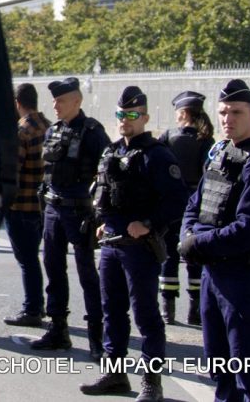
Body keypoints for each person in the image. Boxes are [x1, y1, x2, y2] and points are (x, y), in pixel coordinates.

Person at [180, 79, 250, 402]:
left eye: (236, 112)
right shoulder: (222, 155)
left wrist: (196, 244)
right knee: (220, 373)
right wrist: (187, 234)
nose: (228, 119)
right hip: (213, 277)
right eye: (223, 112)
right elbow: (195, 204)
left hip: (246, 282)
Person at [80, 87, 188, 401]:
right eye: (120, 115)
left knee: (145, 315)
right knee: (111, 311)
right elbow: (104, 194)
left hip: (140, 248)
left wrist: (149, 224)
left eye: (131, 115)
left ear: (145, 118)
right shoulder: (112, 151)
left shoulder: (157, 155)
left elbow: (177, 199)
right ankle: (115, 374)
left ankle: (151, 382)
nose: (124, 120)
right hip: (112, 245)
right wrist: (102, 224)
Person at [31, 76, 108, 359]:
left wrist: (100, 213)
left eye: (61, 101)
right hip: (53, 209)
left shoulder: (93, 132)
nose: (56, 106)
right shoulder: (53, 131)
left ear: (77, 101)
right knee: (53, 268)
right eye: (54, 101)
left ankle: (97, 337)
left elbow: (105, 173)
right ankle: (58, 329)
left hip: (79, 210)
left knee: (87, 272)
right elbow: (47, 170)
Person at [157, 90, 215, 326]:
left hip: (170, 201)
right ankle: (195, 310)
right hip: (196, 204)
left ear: (182, 113)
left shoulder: (169, 137)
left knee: (169, 255)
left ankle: (167, 310)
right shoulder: (206, 140)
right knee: (194, 256)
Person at [3, 82, 49, 327]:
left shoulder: (21, 130)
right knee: (37, 258)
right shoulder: (48, 126)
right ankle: (41, 306)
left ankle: (32, 308)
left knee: (27, 259)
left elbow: (13, 172)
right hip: (43, 205)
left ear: (17, 103)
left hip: (20, 205)